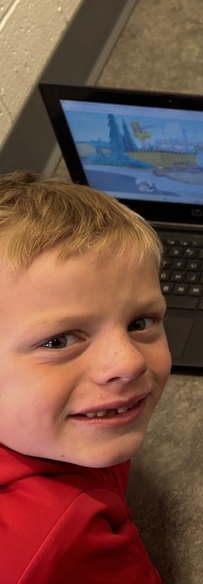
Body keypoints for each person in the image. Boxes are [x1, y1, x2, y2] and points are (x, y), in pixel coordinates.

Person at [0, 171, 169, 583]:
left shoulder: (46, 425)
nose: (128, 362)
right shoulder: (63, 545)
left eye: (140, 321)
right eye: (58, 341)